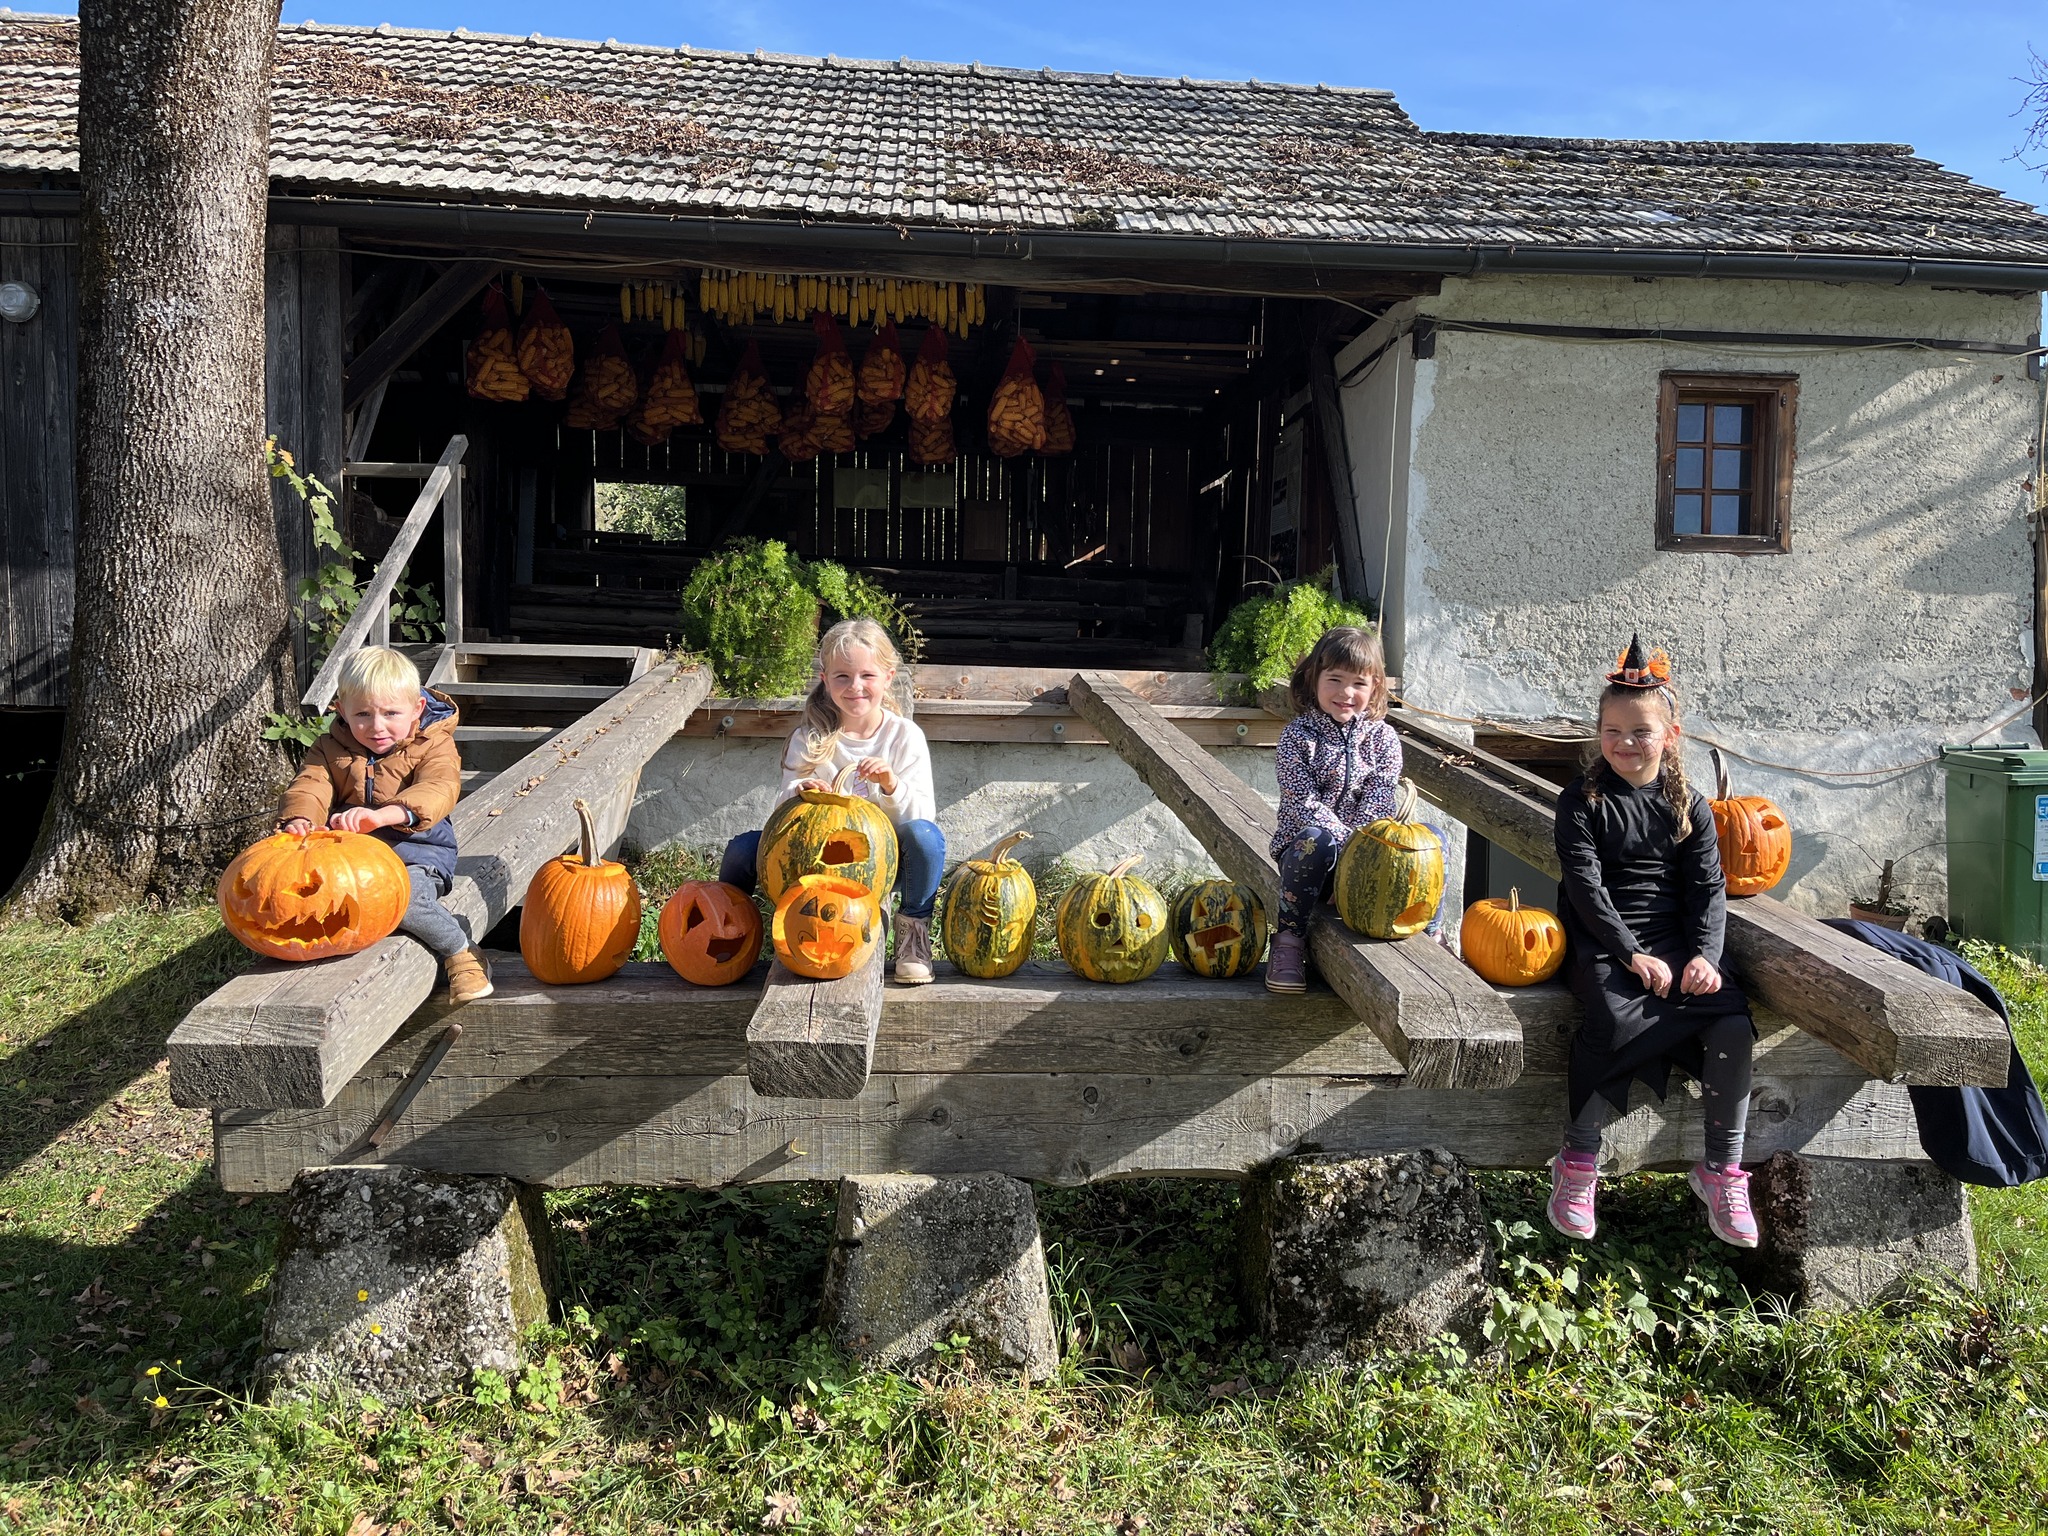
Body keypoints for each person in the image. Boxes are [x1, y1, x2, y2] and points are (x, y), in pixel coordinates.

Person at [1548, 635, 1758, 1249]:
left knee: (1730, 1021)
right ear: (1599, 734)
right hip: (1601, 939)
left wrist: (1705, 957)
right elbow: (1585, 888)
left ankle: (1720, 1169)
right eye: (1613, 731)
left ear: (1669, 736)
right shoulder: (1582, 801)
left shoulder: (1689, 805)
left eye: (1641, 732)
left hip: (1673, 937)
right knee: (1613, 1017)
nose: (1625, 743)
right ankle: (1577, 1162)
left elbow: (1708, 887)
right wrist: (1629, 953)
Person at [720, 618, 944, 985]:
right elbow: (780, 815)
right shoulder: (810, 738)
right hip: (814, 862)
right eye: (843, 677)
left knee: (926, 838)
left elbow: (922, 818)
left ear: (888, 677)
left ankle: (913, 937)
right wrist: (799, 791)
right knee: (742, 849)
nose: (855, 686)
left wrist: (891, 785)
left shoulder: (905, 736)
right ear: (825, 680)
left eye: (867, 675)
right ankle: (731, 934)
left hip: (883, 865)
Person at [277, 646, 493, 1003]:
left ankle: (461, 951)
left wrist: (384, 815)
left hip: (418, 852)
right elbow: (310, 785)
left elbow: (438, 787)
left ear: (416, 709)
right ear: (341, 710)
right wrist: (301, 818)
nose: (377, 726)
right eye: (362, 714)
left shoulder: (433, 744)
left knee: (403, 900)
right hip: (353, 858)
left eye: (391, 713)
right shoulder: (328, 748)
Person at [1265, 625, 1405, 994]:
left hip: (1363, 861)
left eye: (1359, 683)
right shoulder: (1297, 737)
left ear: (1375, 686)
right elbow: (1303, 802)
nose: (1346, 693)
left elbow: (1379, 801)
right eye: (1335, 680)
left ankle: (1434, 938)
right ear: (1313, 679)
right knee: (1316, 840)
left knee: (1432, 841)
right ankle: (1289, 940)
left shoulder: (1384, 740)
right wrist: (1344, 852)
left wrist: (1356, 859)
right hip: (1306, 856)